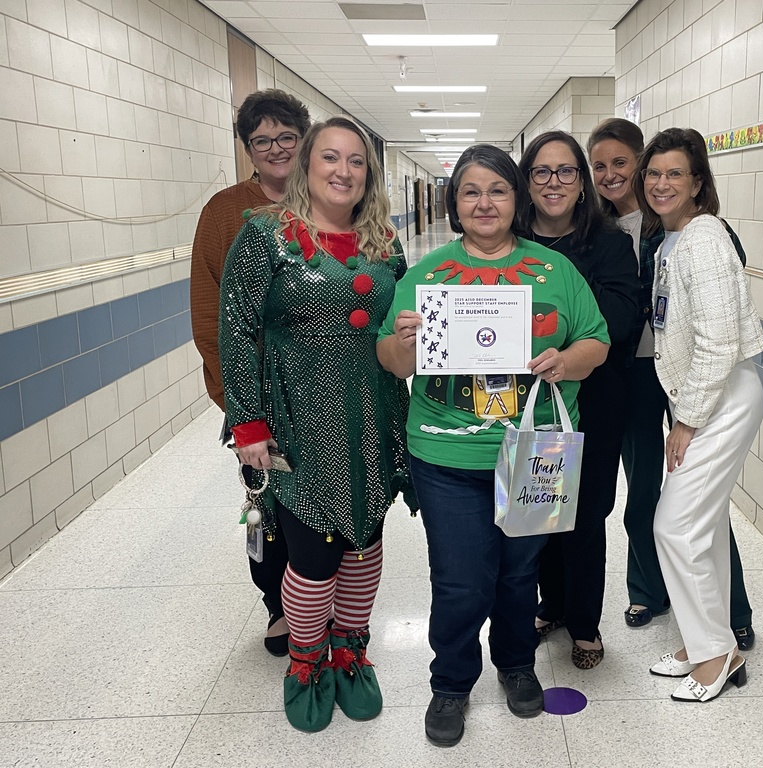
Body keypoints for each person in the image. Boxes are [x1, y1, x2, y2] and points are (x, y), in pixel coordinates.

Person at [377, 144, 609, 747]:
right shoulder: (427, 276)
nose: (485, 203)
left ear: (517, 199)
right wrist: (407, 339)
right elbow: (393, 360)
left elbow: (597, 341)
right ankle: (451, 682)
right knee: (460, 580)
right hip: (447, 454)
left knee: (518, 574)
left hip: (534, 450)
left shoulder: (554, 270)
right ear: (455, 203)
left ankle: (515, 665)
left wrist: (563, 361)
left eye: (498, 190)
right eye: (471, 192)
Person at [219, 116, 414, 732]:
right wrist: (247, 423)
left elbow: (404, 322)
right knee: (311, 554)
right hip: (300, 421)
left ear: (369, 173)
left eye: (357, 161)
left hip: (375, 418)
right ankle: (305, 660)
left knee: (365, 546)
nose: (343, 171)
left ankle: (350, 651)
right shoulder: (265, 237)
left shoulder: (385, 241)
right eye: (330, 157)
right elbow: (239, 332)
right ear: (306, 164)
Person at [588, 118, 757, 651]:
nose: (612, 174)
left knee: (697, 497)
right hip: (635, 373)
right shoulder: (596, 229)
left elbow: (721, 299)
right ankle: (648, 590)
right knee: (644, 491)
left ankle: (732, 611)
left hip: (691, 375)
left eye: (623, 163)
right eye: (600, 165)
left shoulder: (691, 226)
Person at [634, 127, 763, 703]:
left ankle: (716, 655)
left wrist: (685, 420)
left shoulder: (705, 236)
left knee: (674, 525)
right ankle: (702, 636)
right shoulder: (671, 239)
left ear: (698, 184)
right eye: (654, 174)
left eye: (675, 174)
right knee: (705, 526)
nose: (661, 184)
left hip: (721, 397)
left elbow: (718, 342)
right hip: (703, 395)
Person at [190, 89, 310, 656]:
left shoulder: (330, 201)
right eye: (262, 140)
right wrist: (238, 407)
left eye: (287, 137)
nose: (276, 149)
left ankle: (322, 603)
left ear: (302, 140)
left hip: (320, 391)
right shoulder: (222, 214)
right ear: (248, 148)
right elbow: (209, 316)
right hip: (254, 397)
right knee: (266, 505)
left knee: (320, 502)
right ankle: (277, 607)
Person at [518, 131, 639, 670]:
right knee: (542, 506)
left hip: (594, 397)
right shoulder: (513, 241)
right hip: (532, 400)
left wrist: (560, 345)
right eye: (542, 172)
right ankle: (554, 604)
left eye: (566, 171)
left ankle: (585, 623)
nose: (554, 183)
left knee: (586, 512)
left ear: (582, 182)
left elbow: (617, 319)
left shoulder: (608, 242)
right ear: (527, 181)